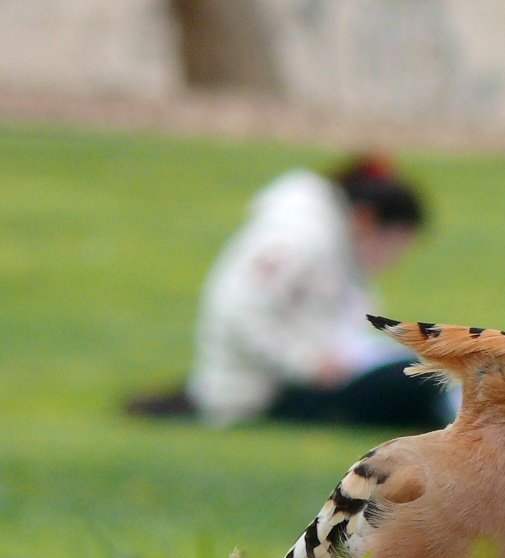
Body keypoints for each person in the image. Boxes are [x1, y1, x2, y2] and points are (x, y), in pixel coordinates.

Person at [127, 155, 457, 429]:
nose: (393, 261)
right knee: (417, 377)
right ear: (366, 220)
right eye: (394, 245)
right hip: (261, 393)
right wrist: (308, 362)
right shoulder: (301, 238)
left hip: (295, 380)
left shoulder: (333, 241)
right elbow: (240, 310)